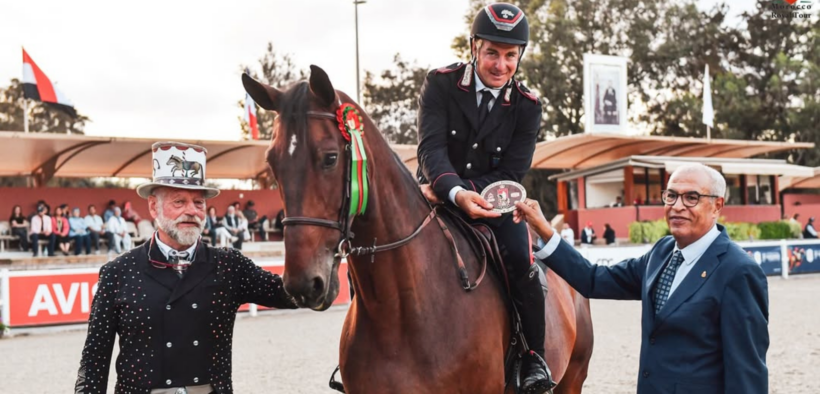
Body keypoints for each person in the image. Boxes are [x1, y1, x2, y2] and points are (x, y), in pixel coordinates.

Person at [513, 163, 769, 394]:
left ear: (717, 206)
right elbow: (593, 279)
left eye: (692, 197)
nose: (678, 205)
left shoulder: (739, 272)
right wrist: (545, 230)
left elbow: (747, 373)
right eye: (671, 195)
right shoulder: (662, 252)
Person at [75, 141, 297, 394]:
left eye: (198, 203)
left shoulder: (230, 265)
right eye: (179, 202)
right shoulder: (118, 272)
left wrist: (325, 248)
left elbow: (294, 293)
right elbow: (94, 361)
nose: (191, 211)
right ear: (152, 207)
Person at [414, 4, 554, 392]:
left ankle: (532, 357)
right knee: (375, 242)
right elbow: (431, 150)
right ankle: (364, 343)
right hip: (434, 192)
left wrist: (470, 196)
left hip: (494, 202)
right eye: (492, 52)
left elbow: (511, 172)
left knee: (522, 260)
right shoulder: (440, 83)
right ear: (474, 47)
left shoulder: (528, 106)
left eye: (511, 55)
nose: (500, 65)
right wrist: (453, 193)